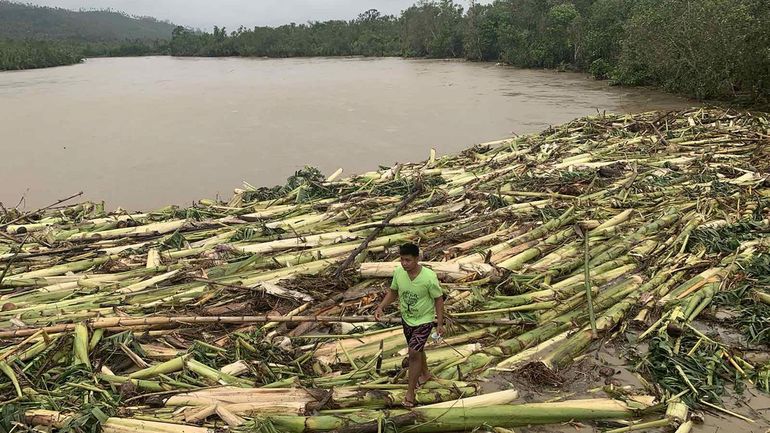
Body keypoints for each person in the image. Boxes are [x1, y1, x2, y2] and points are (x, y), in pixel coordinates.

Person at [374, 242, 445, 407]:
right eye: (402, 260)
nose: (404, 263)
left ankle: (410, 393)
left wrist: (439, 323)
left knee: (413, 353)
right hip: (407, 319)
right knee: (418, 349)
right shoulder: (399, 272)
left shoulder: (428, 277)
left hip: (424, 320)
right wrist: (381, 306)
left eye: (408, 260)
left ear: (417, 259)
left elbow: (438, 299)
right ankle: (425, 374)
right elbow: (393, 291)